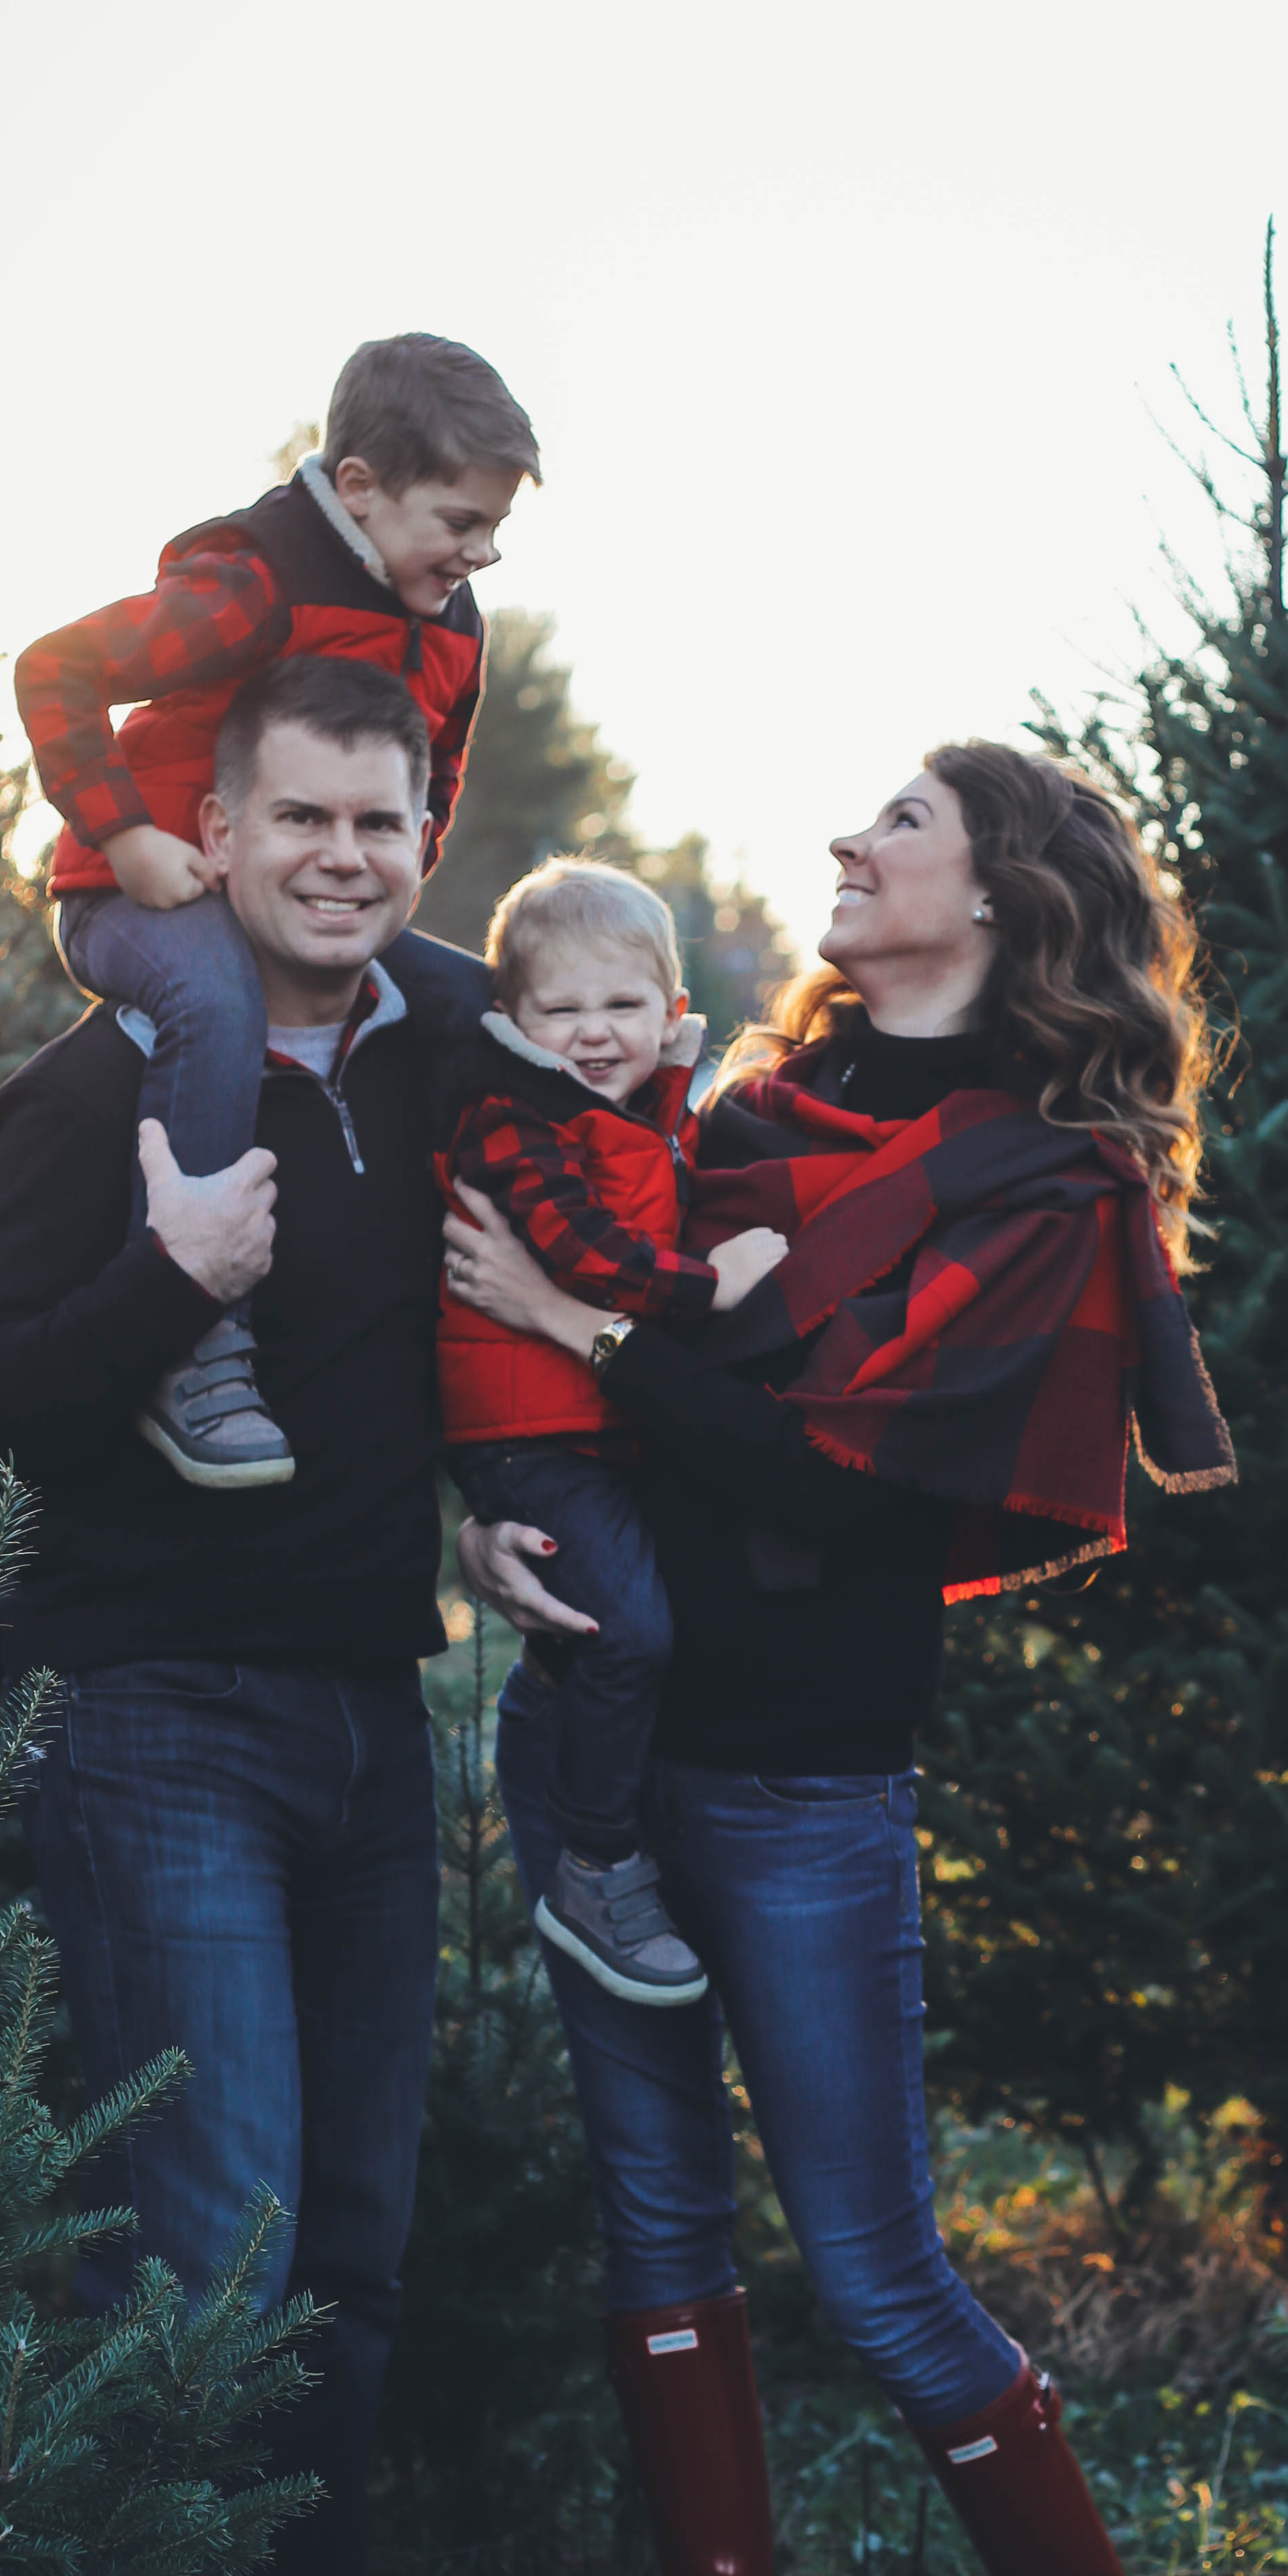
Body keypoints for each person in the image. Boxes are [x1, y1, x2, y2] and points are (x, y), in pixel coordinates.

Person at [447, 742, 1240, 2576]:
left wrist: (596, 1341)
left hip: (807, 1774)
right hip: (602, 1749)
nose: (846, 844)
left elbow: (851, 1487)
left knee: (878, 2262)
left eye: (898, 823)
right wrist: (492, 1503)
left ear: (993, 898)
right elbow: (556, 1368)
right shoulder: (731, 1121)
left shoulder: (1051, 1184)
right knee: (659, 2229)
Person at [0, 652, 521, 2576]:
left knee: (349, 2240)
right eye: (302, 822)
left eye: (384, 825)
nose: (345, 861)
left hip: (374, 1720)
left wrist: (513, 1510)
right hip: (158, 1720)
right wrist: (171, 1280)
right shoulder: (100, 1103)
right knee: (219, 2242)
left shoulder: (446, 1054)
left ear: (422, 843)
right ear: (216, 835)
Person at [15, 332, 541, 1490]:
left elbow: (436, 771)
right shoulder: (252, 585)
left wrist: (395, 886)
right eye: (459, 521)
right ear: (359, 487)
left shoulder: (451, 624)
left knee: (487, 1005)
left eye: (497, 527)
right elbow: (53, 670)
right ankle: (196, 1339)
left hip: (297, 900)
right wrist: (124, 836)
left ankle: (537, 1305)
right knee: (215, 997)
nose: (483, 552)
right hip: (143, 892)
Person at [438, 861, 789, 2009]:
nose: (593, 1033)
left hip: (594, 1425)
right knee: (627, 1633)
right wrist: (712, 1284)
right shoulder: (515, 1120)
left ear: (673, 1014)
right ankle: (596, 1859)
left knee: (639, 1617)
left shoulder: (654, 1115)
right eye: (562, 1009)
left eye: (621, 1007)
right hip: (529, 1436)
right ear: (513, 1022)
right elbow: (586, 1257)